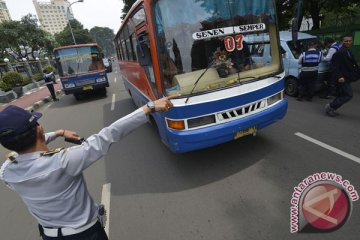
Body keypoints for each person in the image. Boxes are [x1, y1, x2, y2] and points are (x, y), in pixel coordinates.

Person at [0, 96, 175, 240]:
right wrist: (149, 107)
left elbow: (23, 150)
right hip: (85, 235)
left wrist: (59, 132)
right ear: (39, 130)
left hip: (49, 236)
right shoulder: (63, 162)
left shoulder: (7, 172)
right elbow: (108, 135)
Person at [325, 34, 360, 117]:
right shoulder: (340, 52)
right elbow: (334, 67)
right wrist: (340, 76)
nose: (348, 42)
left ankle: (332, 108)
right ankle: (330, 106)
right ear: (342, 41)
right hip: (343, 78)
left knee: (342, 94)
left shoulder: (347, 51)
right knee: (348, 94)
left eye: (349, 41)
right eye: (346, 41)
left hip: (348, 77)